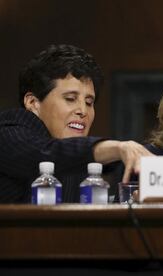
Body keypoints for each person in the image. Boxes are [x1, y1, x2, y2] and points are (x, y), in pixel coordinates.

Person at [0, 44, 152, 203]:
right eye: (70, 99)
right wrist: (117, 148)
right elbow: (47, 153)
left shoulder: (78, 160)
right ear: (32, 102)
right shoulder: (8, 132)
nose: (83, 111)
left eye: (89, 102)